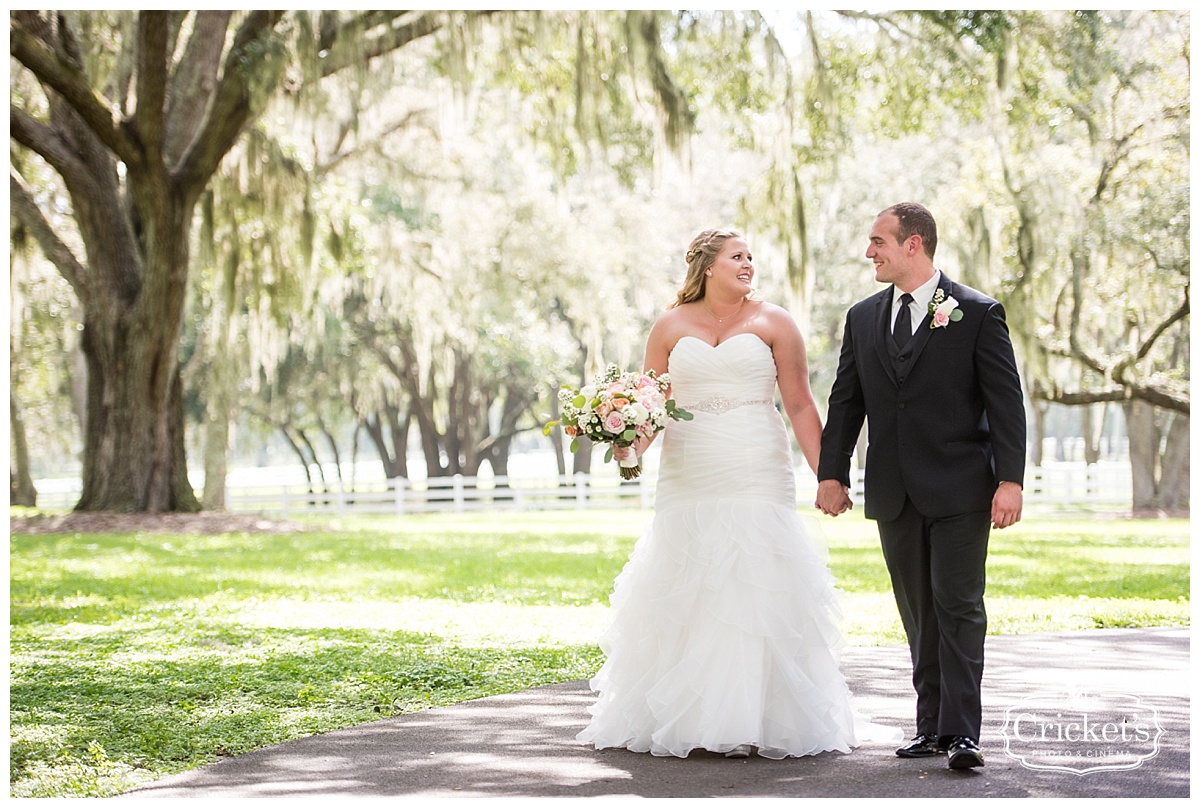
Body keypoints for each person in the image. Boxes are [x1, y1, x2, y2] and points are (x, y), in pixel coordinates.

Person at [577, 228, 888, 759]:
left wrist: (827, 474)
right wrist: (626, 443)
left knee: (752, 579)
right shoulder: (670, 326)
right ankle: (686, 716)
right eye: (736, 257)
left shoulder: (774, 321)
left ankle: (754, 718)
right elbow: (650, 407)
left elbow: (800, 405)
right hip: (689, 467)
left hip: (754, 463)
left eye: (751, 257)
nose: (747, 265)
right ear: (706, 266)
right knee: (689, 579)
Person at [816, 202, 1026, 770]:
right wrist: (831, 472)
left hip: (963, 489)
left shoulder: (978, 312)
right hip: (893, 490)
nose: (869, 253)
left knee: (958, 606)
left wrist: (1010, 480)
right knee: (917, 612)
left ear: (915, 245)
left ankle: (962, 734)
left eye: (878, 241)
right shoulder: (862, 317)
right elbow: (846, 401)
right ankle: (930, 726)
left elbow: (1006, 402)